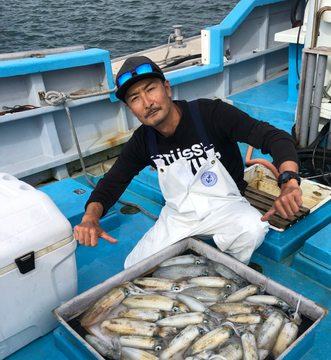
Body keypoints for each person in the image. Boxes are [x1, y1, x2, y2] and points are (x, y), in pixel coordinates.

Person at [74, 56, 302, 268]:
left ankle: (228, 269)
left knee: (252, 230)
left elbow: (273, 136)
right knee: (134, 267)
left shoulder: (211, 114)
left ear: (167, 88)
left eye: (151, 89)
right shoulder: (143, 140)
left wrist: (288, 181)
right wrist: (90, 218)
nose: (147, 102)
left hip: (225, 207)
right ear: (130, 109)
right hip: (178, 216)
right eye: (135, 98)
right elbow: (112, 183)